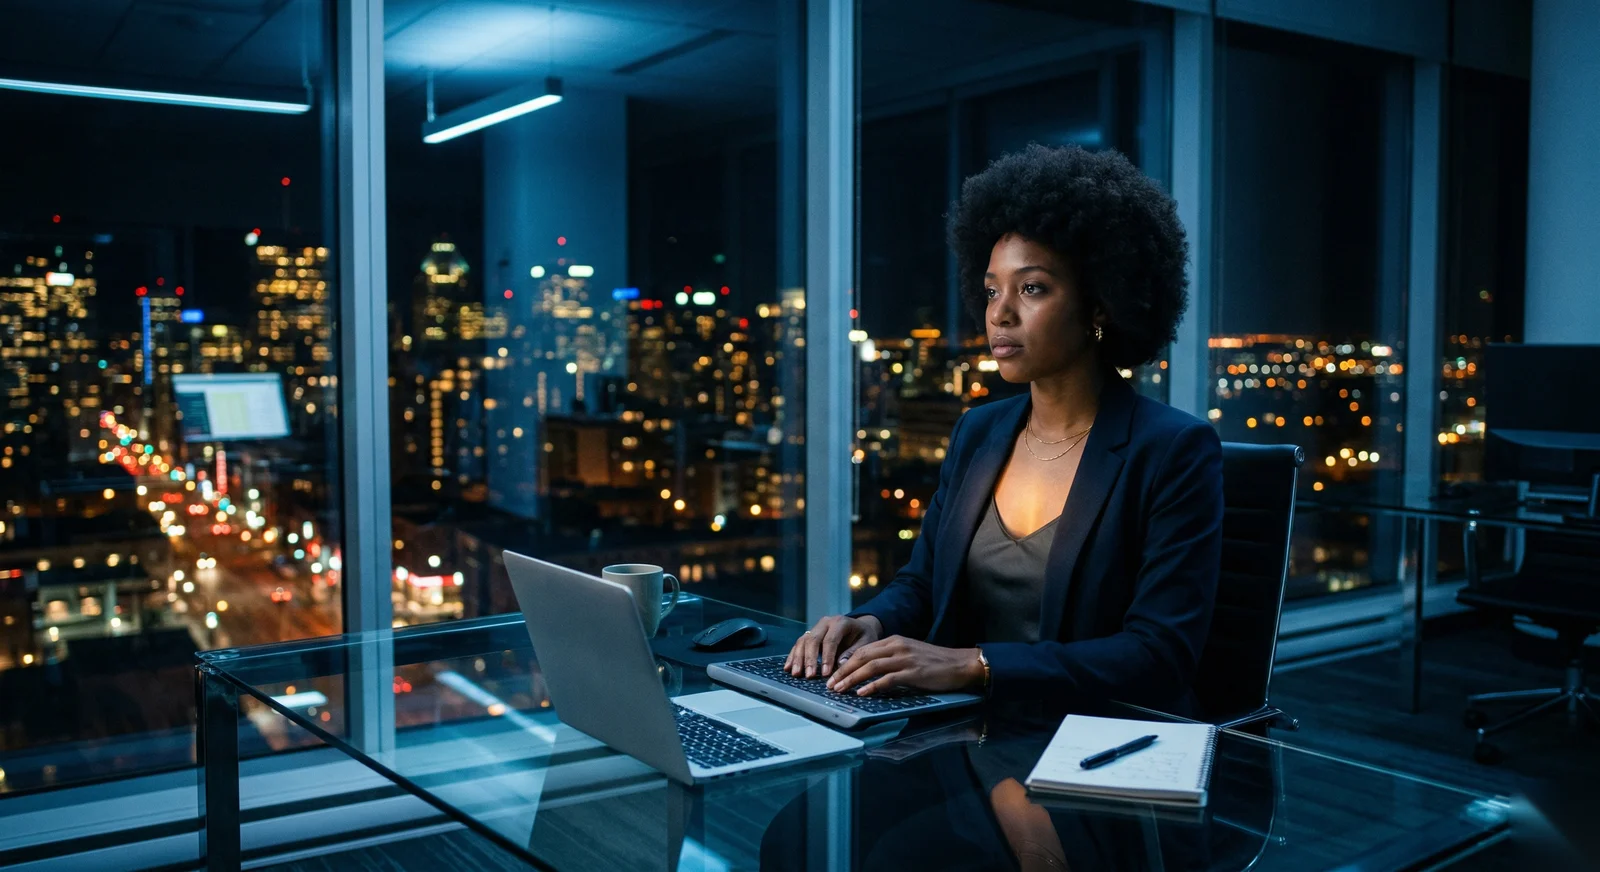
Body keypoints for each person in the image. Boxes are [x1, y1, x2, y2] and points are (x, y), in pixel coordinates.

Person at [784, 143, 1221, 720]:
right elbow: (923, 585)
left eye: (1031, 288)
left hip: (1097, 743)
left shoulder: (1173, 451)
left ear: (1099, 304)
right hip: (967, 731)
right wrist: (868, 622)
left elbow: (1158, 654)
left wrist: (974, 665)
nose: (1000, 314)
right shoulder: (979, 431)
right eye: (992, 290)